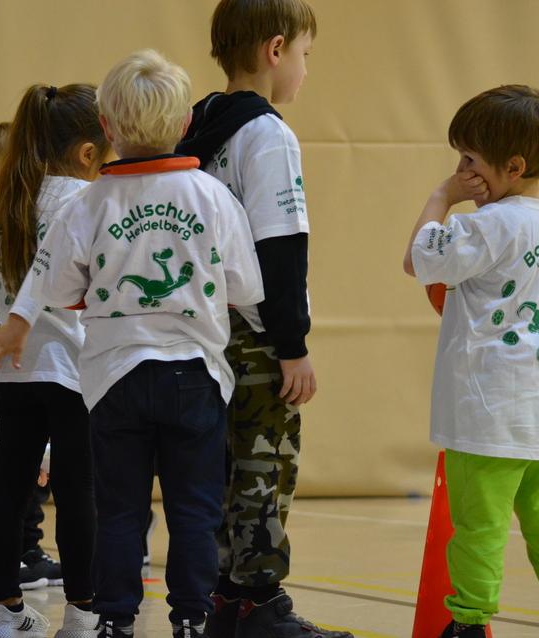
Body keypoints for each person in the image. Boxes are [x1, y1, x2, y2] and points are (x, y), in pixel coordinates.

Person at [0, 49, 264, 638]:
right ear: (184, 125)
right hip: (196, 377)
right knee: (194, 508)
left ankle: (116, 620)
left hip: (116, 378)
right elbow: (246, 286)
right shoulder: (211, 196)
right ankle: (190, 618)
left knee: (121, 509)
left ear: (107, 129)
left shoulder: (89, 202)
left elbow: (56, 286)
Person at [175, 2, 350, 637]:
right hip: (255, 333)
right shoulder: (268, 133)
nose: (304, 72)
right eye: (305, 56)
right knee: (263, 466)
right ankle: (256, 604)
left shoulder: (193, 121)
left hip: (201, 331)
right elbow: (280, 245)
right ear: (276, 50)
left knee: (218, 470)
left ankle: (222, 598)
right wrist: (291, 344)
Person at [404, 85, 539, 638]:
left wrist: (443, 195)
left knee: (478, 529)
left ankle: (466, 624)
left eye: (468, 161)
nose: (461, 170)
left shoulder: (487, 225)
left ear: (512, 166)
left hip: (484, 416)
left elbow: (417, 258)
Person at [0, 85, 111, 638]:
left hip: (13, 368)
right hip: (72, 365)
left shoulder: (8, 194)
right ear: (88, 152)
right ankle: (81, 613)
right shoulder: (89, 197)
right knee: (77, 491)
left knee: (11, 485)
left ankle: (5, 610)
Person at [0, 122, 64, 593]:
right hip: (4, 375)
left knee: (40, 478)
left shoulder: (43, 215)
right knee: (10, 477)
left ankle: (28, 549)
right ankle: (4, 565)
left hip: (47, 368)